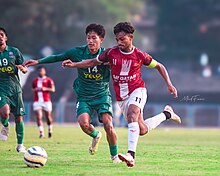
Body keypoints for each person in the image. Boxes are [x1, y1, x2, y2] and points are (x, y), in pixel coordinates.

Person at [62, 22, 181, 167]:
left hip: (138, 90)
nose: (119, 42)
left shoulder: (139, 55)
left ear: (130, 37)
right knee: (141, 129)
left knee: (132, 115)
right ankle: (166, 114)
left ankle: (131, 155)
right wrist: (74, 64)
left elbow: (159, 66)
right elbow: (93, 62)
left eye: (122, 39)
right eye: (117, 39)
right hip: (122, 98)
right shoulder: (111, 53)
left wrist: (169, 84)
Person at [24, 23, 121, 163]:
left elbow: (118, 63)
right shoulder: (77, 52)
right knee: (84, 124)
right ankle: (95, 135)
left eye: (94, 38)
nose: (90, 41)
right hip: (84, 95)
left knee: (108, 124)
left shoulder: (107, 54)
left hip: (102, 95)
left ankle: (115, 157)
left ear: (101, 39)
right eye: (88, 37)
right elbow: (57, 57)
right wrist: (38, 61)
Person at [0, 27, 28, 152]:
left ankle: (20, 145)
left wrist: (23, 69)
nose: (0, 37)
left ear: (6, 37)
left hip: (15, 87)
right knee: (5, 112)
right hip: (1, 87)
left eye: (1, 34)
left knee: (18, 117)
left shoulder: (14, 51)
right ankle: (5, 125)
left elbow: (23, 66)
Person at [32, 66, 55, 138]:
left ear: (44, 71)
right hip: (37, 101)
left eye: (42, 71)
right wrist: (36, 89)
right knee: (39, 116)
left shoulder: (48, 80)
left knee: (48, 116)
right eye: (39, 71)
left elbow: (53, 89)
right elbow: (33, 89)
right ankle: (41, 133)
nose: (40, 72)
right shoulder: (35, 80)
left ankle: (50, 129)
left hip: (46, 100)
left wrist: (45, 88)